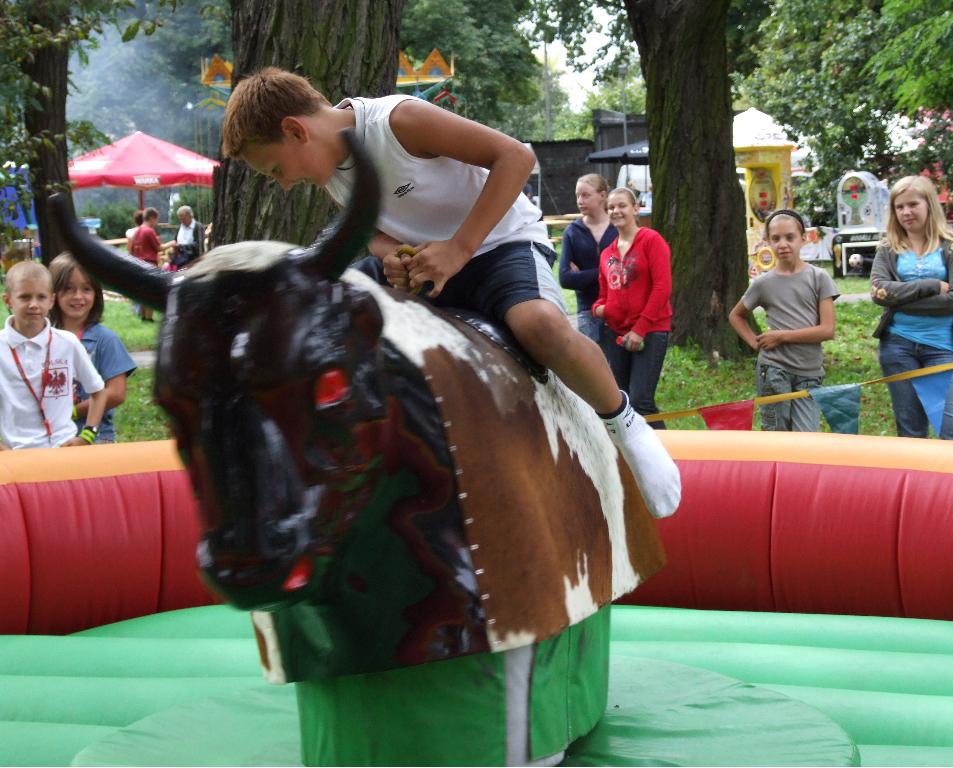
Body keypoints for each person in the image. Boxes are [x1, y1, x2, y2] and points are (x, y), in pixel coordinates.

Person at [220, 67, 680, 520]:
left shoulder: (398, 122)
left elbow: (516, 157)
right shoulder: (332, 173)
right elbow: (374, 232)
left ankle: (624, 422)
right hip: (433, 262)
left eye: (276, 169)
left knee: (538, 324)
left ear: (295, 129)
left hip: (501, 243)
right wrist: (390, 256)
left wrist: (460, 247)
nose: (282, 183)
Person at [869, 175, 953, 441]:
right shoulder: (887, 248)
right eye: (899, 206)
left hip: (943, 348)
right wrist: (930, 286)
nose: (906, 212)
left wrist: (900, 299)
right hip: (897, 348)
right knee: (911, 433)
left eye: (913, 204)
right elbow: (879, 293)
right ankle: (916, 483)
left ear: (928, 204)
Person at [728, 209, 838, 432]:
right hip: (774, 371)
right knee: (776, 437)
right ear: (767, 241)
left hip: (810, 373)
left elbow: (828, 330)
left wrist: (782, 336)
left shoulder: (819, 278)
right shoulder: (763, 283)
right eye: (776, 238)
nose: (783, 244)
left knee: (806, 440)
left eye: (790, 237)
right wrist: (755, 344)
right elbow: (736, 316)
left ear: (803, 238)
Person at [0, 261, 107, 450]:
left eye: (41, 297)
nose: (34, 304)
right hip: (15, 455)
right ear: (8, 300)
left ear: (51, 300)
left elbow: (98, 392)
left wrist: (88, 434)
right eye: (24, 297)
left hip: (63, 451)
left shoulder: (68, 342)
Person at [591, 187, 672, 429]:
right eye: (611, 207)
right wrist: (600, 309)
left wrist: (640, 329)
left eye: (622, 205)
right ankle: (629, 459)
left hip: (650, 330)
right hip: (614, 335)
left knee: (641, 401)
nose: (616, 211)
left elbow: (662, 287)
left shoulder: (651, 240)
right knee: (619, 402)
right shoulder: (607, 253)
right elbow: (602, 296)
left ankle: (667, 456)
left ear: (635, 209)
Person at [48, 253, 137, 443]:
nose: (78, 296)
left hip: (95, 438)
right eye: (68, 289)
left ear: (96, 294)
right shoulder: (45, 339)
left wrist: (70, 412)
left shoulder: (106, 339)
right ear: (52, 294)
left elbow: (116, 393)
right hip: (51, 437)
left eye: (86, 289)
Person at [559, 173, 616, 343]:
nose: (580, 201)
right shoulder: (572, 232)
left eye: (585, 195)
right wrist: (605, 270)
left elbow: (624, 267)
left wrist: (583, 274)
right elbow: (566, 278)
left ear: (602, 195)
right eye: (577, 195)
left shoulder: (617, 229)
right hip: (587, 310)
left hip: (618, 308)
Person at [130, 207, 172, 321]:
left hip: (138, 263)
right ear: (152, 218)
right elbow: (159, 247)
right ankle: (149, 317)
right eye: (156, 219)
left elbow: (132, 249)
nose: (156, 223)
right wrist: (172, 243)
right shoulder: (149, 230)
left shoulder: (137, 230)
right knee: (150, 291)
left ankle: (144, 316)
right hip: (149, 264)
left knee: (143, 292)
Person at [165, 205, 206, 270]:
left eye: (183, 218)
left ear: (190, 216)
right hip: (180, 261)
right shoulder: (179, 227)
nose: (182, 221)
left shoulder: (198, 227)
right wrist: (172, 248)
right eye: (180, 219)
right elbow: (175, 240)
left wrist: (181, 246)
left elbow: (198, 245)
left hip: (194, 262)